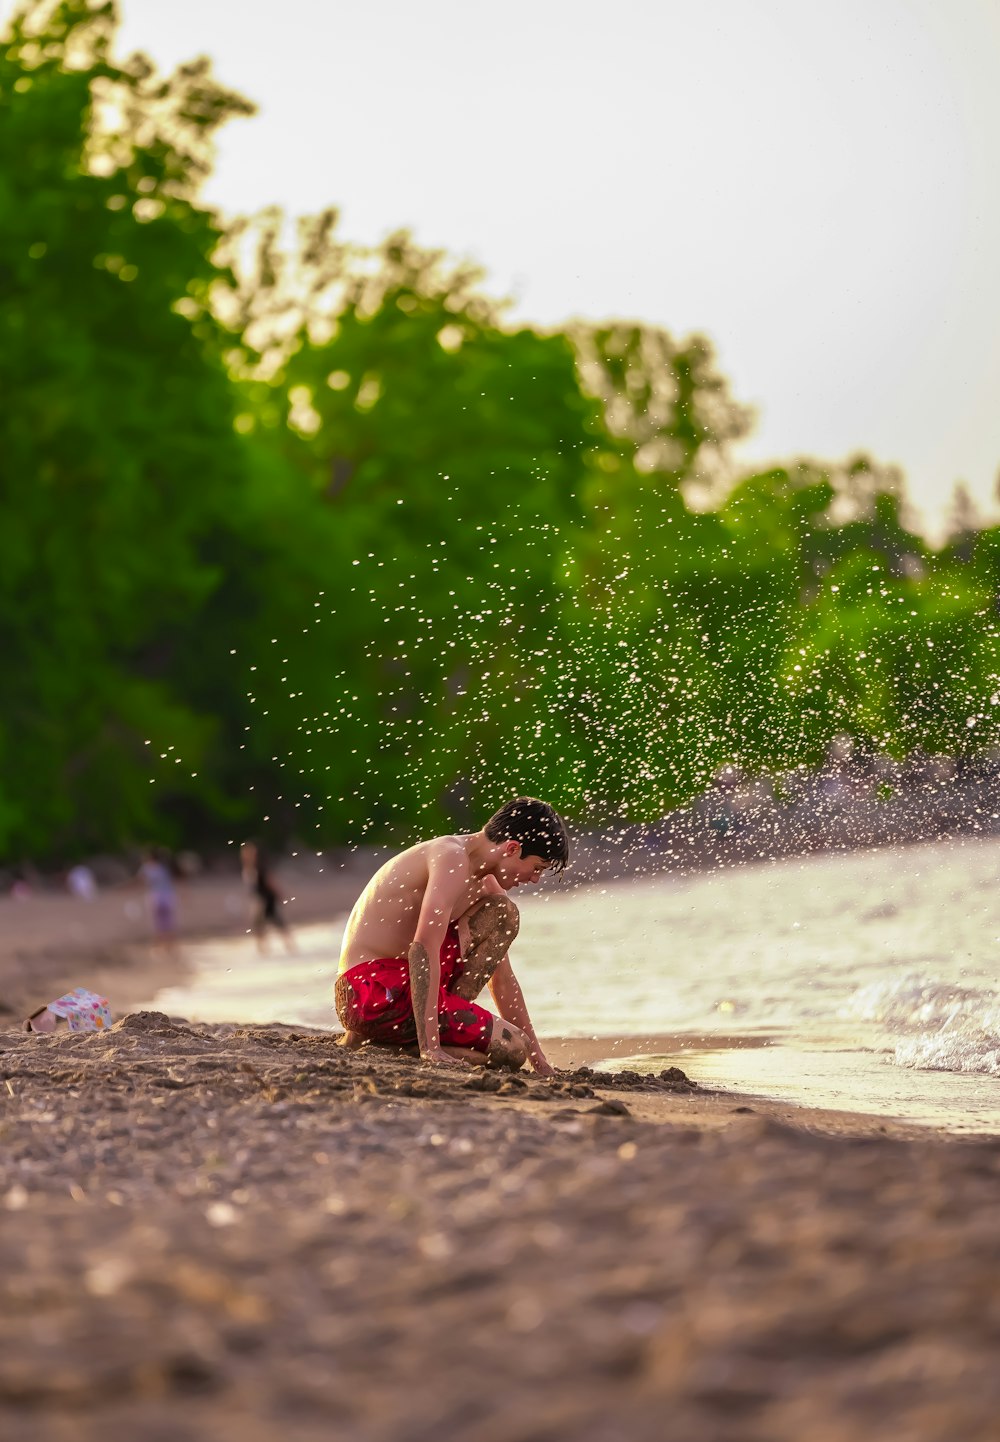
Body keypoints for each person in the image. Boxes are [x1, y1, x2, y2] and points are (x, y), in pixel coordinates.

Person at [335, 797, 570, 1073]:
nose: (535, 879)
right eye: (537, 868)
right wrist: (430, 1048)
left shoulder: (487, 884)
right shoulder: (451, 857)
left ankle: (398, 1041)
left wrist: (539, 1061)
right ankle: (413, 1043)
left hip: (398, 989)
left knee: (503, 914)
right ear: (513, 848)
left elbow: (503, 980)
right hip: (371, 991)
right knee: (511, 1047)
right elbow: (422, 948)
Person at [240, 841, 296, 953]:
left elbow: (270, 882)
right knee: (264, 924)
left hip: (265, 899)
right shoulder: (249, 867)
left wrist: (279, 894)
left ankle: (284, 946)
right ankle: (265, 949)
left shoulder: (259, 867)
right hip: (259, 899)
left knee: (272, 922)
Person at [138, 848, 178, 953]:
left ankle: (159, 945)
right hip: (168, 896)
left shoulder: (148, 868)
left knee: (157, 922)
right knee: (168, 921)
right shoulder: (164, 868)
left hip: (156, 896)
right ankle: (170, 945)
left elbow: (141, 880)